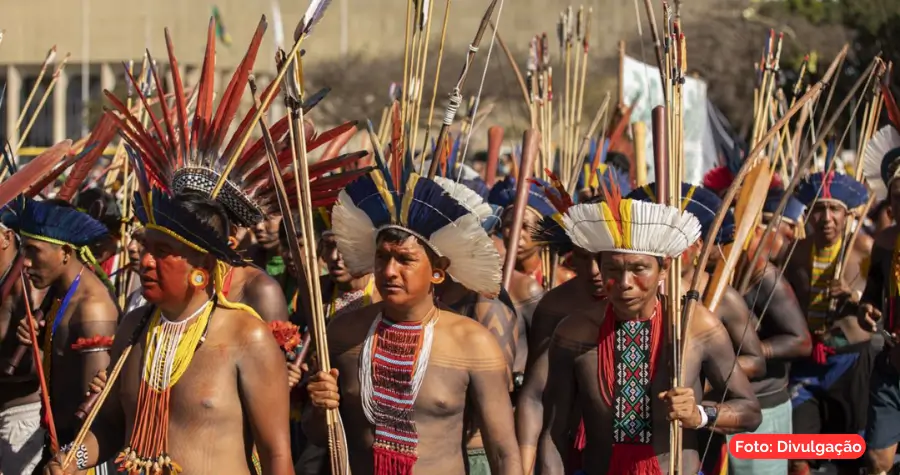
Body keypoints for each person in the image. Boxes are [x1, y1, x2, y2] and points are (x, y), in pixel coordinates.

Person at [44, 186, 293, 475]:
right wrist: (74, 456)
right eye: (147, 247)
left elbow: (277, 454)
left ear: (204, 264)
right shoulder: (133, 328)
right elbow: (111, 424)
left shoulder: (247, 336)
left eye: (163, 252)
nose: (146, 261)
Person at [305, 167, 523, 474]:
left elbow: (503, 453)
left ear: (438, 270)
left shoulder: (473, 343)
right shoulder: (344, 333)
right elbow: (316, 435)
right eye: (382, 257)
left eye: (405, 259)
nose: (390, 271)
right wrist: (319, 407)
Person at [538, 188, 761, 475]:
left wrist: (699, 415)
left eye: (638, 269)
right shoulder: (575, 332)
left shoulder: (695, 326)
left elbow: (750, 410)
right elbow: (553, 431)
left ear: (664, 269)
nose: (625, 283)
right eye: (613, 270)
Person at [10, 199, 120, 465]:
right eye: (24, 250)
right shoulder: (61, 295)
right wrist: (41, 339)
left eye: (34, 250)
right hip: (61, 449)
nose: (25, 262)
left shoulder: (92, 309)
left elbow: (97, 415)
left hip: (81, 459)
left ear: (66, 253)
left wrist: (72, 461)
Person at [783, 170, 874, 475]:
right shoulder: (795, 253)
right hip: (807, 363)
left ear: (848, 215)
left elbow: (887, 305)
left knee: (851, 456)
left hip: (849, 363)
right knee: (797, 457)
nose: (827, 218)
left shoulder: (865, 248)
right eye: (819, 210)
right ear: (807, 215)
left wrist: (855, 296)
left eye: (834, 209)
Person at [859, 123, 900, 474]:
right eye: (897, 197)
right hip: (892, 365)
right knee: (877, 461)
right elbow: (872, 292)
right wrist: (866, 309)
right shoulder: (885, 242)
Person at [0, 213, 44, 475]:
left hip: (21, 416)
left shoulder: (29, 286)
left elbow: (40, 359)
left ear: (6, 237)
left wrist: (36, 339)